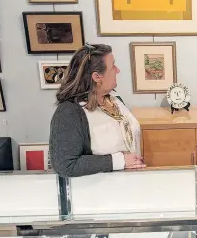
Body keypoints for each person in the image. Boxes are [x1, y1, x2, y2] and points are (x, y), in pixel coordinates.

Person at [49, 43, 146, 177]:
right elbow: (65, 165)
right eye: (113, 66)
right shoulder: (69, 112)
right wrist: (120, 160)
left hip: (129, 184)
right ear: (97, 77)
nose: (117, 70)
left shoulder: (115, 100)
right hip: (100, 192)